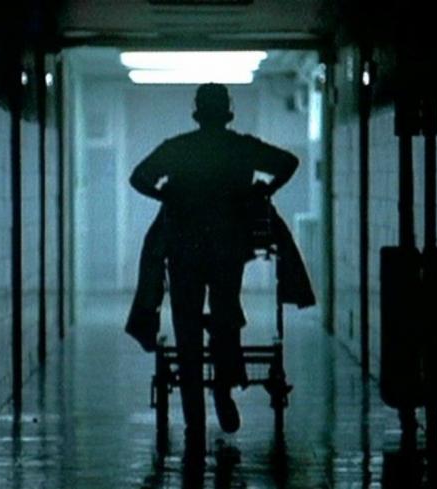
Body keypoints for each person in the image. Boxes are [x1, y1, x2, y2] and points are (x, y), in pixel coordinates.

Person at [129, 83, 299, 459]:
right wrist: (262, 191)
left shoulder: (178, 148)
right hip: (227, 246)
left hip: (185, 248)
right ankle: (223, 390)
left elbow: (138, 177)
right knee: (225, 316)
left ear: (197, 112)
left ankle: (195, 418)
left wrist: (165, 196)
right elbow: (289, 162)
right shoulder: (241, 147)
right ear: (226, 112)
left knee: (187, 326)